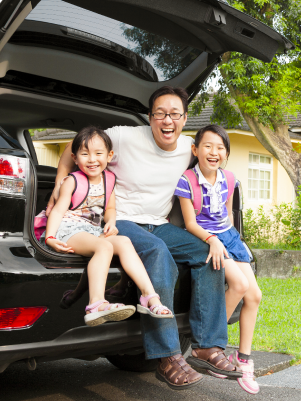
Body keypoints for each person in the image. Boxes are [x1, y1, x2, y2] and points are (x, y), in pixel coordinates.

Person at [47, 87, 241, 391]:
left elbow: (211, 171)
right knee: (157, 251)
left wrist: (220, 232)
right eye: (160, 113)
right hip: (120, 221)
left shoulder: (190, 148)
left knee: (207, 253)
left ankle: (207, 346)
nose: (167, 120)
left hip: (159, 223)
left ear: (185, 118)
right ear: (150, 117)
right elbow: (74, 149)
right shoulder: (123, 136)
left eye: (174, 114)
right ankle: (167, 356)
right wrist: (59, 188)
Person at [45, 126, 173, 326]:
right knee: (104, 246)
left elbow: (110, 208)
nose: (92, 159)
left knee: (124, 241)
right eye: (85, 154)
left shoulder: (109, 180)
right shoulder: (72, 181)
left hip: (93, 230)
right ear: (75, 158)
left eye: (98, 153)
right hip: (69, 229)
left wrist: (111, 222)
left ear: (109, 156)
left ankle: (150, 297)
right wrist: (50, 237)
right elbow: (58, 211)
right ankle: (96, 304)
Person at [175, 125, 262, 395]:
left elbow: (228, 213)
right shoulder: (187, 180)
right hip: (206, 238)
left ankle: (243, 359)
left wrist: (234, 239)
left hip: (229, 237)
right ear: (195, 150)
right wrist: (212, 240)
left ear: (226, 153)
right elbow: (190, 223)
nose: (214, 152)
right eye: (208, 146)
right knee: (239, 285)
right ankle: (209, 347)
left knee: (255, 296)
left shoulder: (230, 178)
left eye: (220, 147)